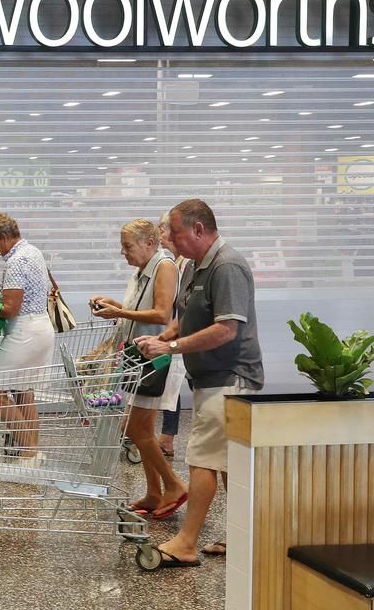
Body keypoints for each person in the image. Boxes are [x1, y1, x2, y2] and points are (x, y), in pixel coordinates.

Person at [135, 199, 263, 569]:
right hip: (209, 377)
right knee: (227, 465)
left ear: (198, 230)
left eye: (174, 232)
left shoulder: (227, 266)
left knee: (202, 460)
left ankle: (187, 542)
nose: (168, 239)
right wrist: (162, 339)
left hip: (232, 379)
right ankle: (245, 536)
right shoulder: (193, 265)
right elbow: (185, 317)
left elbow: (226, 329)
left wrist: (171, 346)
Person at [88, 219, 187, 520]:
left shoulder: (165, 267)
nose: (124, 252)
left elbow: (161, 314)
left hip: (156, 359)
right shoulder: (144, 270)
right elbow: (141, 311)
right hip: (138, 358)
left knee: (134, 427)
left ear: (149, 243)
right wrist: (113, 304)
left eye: (128, 246)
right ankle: (155, 491)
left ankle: (174, 485)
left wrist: (118, 311)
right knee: (139, 428)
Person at [0, 213, 56, 460]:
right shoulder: (33, 252)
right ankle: (30, 454)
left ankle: (30, 450)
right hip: (40, 328)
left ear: (5, 237)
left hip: (24, 333)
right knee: (23, 392)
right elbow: (21, 297)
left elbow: (11, 309)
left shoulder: (16, 261)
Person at [157, 212, 189, 457]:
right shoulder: (174, 262)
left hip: (187, 338)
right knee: (172, 385)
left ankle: (167, 438)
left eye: (162, 229)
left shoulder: (185, 264)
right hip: (176, 334)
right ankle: (167, 438)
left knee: (175, 383)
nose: (159, 235)